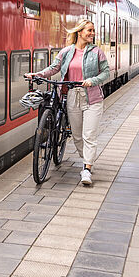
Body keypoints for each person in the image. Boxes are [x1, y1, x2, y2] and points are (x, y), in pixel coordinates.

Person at [26, 20, 110, 186]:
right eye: (89, 30)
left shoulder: (97, 52)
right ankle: (87, 157)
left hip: (92, 98)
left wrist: (92, 80)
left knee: (89, 136)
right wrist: (37, 74)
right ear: (80, 32)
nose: (92, 33)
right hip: (72, 96)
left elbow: (106, 72)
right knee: (77, 136)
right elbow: (54, 68)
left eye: (93, 31)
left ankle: (87, 169)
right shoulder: (66, 52)